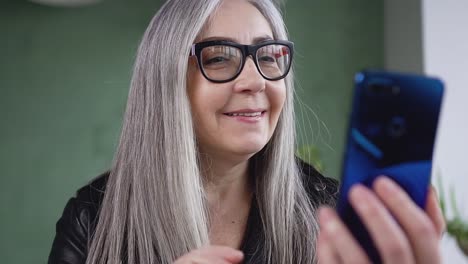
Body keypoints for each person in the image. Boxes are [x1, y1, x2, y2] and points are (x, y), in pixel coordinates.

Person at [48, 0, 446, 263]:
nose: (255, 81)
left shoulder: (327, 214)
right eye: (220, 58)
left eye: (269, 56)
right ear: (165, 82)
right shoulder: (91, 221)